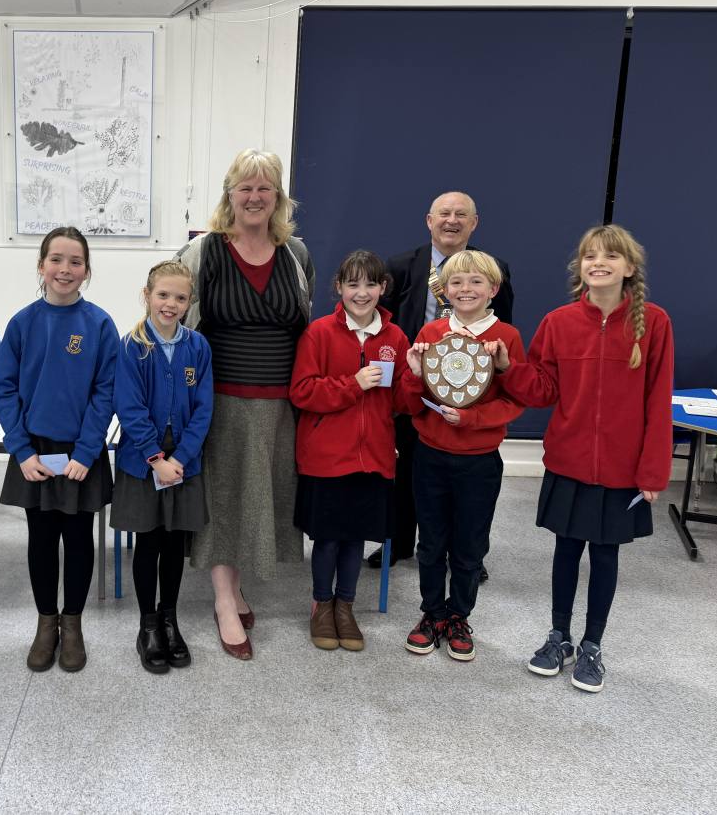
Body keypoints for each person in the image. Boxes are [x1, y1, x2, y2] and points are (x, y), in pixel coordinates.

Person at [485, 224, 672, 693]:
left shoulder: (655, 323)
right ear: (580, 267)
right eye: (590, 256)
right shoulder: (559, 322)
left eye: (611, 256)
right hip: (569, 461)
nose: (599, 263)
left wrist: (652, 470)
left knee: (605, 554)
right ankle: (559, 637)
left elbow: (658, 400)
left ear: (630, 268)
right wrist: (507, 369)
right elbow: (543, 389)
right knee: (566, 550)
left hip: (622, 467)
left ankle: (592, 645)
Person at [177, 149, 314, 660]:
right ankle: (223, 601)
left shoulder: (295, 253)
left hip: (279, 402)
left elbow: (304, 322)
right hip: (220, 399)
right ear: (229, 194)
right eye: (245, 188)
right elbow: (174, 317)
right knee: (225, 499)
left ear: (278, 197)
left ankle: (235, 589)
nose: (255, 197)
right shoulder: (204, 252)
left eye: (264, 188)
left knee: (260, 496)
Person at [0, 226, 117, 673]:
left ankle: (73, 623)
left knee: (79, 539)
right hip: (35, 451)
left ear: (86, 270)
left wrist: (87, 452)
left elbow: (106, 391)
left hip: (83, 452)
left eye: (75, 261)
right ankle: (47, 623)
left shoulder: (99, 324)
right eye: (56, 260)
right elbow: (3, 389)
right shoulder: (23, 323)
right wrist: (22, 451)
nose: (65, 269)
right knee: (41, 540)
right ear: (41, 266)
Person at [374, 190, 515, 581]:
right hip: (416, 382)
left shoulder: (494, 269)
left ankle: (467, 552)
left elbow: (502, 327)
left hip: (471, 392)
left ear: (474, 223)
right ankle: (399, 540)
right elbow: (386, 324)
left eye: (461, 215)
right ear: (429, 220)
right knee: (408, 468)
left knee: (467, 483)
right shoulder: (401, 265)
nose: (452, 221)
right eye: (444, 214)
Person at [399, 251, 524, 661]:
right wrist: (414, 375)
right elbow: (409, 404)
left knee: (470, 546)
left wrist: (472, 418)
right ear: (444, 290)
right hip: (431, 455)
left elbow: (514, 401)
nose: (465, 289)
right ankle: (432, 613)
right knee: (431, 542)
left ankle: (458, 616)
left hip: (479, 460)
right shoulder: (431, 332)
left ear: (493, 289)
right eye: (456, 282)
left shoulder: (506, 337)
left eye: (475, 281)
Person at [290, 250, 410, 653]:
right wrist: (352, 384)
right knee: (328, 539)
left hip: (373, 457)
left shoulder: (395, 338)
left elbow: (403, 402)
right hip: (327, 458)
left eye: (371, 284)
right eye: (353, 284)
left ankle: (345, 607)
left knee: (356, 538)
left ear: (383, 288)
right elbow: (302, 392)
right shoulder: (319, 333)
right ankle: (322, 605)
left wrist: (417, 374)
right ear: (339, 287)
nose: (362, 293)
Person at [112, 261, 213, 673]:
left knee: (174, 543)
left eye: (180, 297)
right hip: (143, 461)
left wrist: (180, 459)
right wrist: (156, 458)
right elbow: (129, 407)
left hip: (183, 461)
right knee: (149, 541)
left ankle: (169, 618)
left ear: (190, 302)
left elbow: (204, 408)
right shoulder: (131, 346)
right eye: (163, 295)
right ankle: (148, 624)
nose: (170, 304)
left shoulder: (198, 347)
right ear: (147, 295)